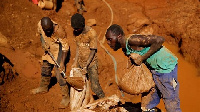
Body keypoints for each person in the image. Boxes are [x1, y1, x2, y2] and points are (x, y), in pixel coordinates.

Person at [105, 24, 181, 112]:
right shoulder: (125, 49)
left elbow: (160, 40)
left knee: (171, 102)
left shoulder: (133, 40)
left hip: (165, 67)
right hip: (153, 69)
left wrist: (142, 58)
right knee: (147, 105)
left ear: (119, 36)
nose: (108, 43)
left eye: (110, 39)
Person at [31, 17, 70, 109]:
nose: (48, 33)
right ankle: (43, 87)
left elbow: (65, 48)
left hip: (59, 51)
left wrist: (62, 62)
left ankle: (66, 97)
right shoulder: (40, 25)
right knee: (45, 68)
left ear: (52, 26)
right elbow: (41, 34)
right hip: (49, 49)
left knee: (59, 74)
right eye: (46, 31)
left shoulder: (59, 31)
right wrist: (43, 43)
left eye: (49, 30)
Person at [70, 13, 105, 99]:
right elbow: (78, 47)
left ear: (82, 26)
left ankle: (104, 100)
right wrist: (75, 62)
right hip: (80, 62)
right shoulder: (76, 33)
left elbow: (93, 51)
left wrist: (86, 66)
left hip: (91, 63)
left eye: (77, 28)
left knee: (95, 86)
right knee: (79, 83)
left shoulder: (91, 33)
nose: (75, 30)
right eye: (74, 29)